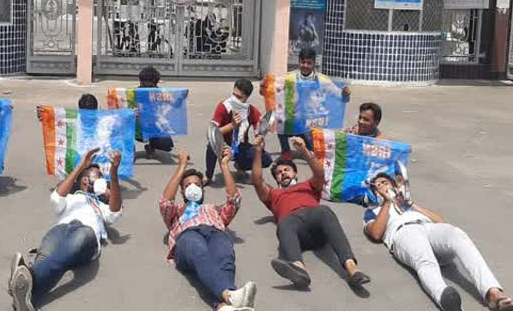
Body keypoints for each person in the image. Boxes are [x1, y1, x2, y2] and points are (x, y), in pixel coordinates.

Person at [364, 173, 513, 311]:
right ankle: (446, 299)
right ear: (375, 193)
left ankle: (493, 293)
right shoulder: (373, 211)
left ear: (393, 185)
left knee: (457, 234)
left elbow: (441, 221)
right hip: (404, 233)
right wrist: (387, 202)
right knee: (424, 260)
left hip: (428, 228)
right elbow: (376, 234)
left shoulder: (408, 205)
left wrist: (411, 204)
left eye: (385, 182)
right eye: (378, 186)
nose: (382, 186)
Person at [8, 147, 124, 311]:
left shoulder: (100, 206)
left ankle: (26, 277)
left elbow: (115, 212)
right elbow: (56, 199)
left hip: (85, 233)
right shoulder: (70, 197)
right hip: (60, 230)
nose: (101, 180)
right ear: (84, 180)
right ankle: (24, 295)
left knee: (67, 251)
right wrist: (81, 166)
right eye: (97, 177)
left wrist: (113, 173)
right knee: (45, 254)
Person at [250, 135, 371, 290]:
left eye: (287, 170)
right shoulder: (273, 194)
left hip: (316, 223)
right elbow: (257, 180)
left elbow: (320, 174)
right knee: (284, 223)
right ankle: (299, 269)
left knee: (324, 211)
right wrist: (258, 151)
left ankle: (352, 269)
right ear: (276, 179)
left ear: (295, 174)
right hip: (294, 228)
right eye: (279, 173)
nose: (283, 173)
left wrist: (304, 151)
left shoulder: (308, 185)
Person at [159, 148, 257, 311]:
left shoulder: (214, 209)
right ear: (182, 191)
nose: (193, 188)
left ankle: (224, 305)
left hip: (216, 232)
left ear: (203, 190)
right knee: (199, 251)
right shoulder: (177, 211)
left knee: (224, 257)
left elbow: (234, 201)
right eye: (188, 185)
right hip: (188, 235)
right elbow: (165, 202)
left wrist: (224, 165)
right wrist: (182, 166)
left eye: (197, 185)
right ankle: (231, 294)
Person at [269, 48, 351, 159]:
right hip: (293, 121)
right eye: (303, 62)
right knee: (279, 121)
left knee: (315, 155)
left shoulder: (323, 81)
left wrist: (346, 94)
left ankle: (311, 147)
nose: (305, 65)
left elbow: (341, 98)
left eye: (309, 63)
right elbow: (272, 90)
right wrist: (265, 87)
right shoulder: (288, 78)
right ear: (298, 62)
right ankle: (285, 150)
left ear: (314, 64)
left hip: (312, 123)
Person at [206, 78, 272, 186]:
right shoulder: (223, 107)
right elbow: (211, 133)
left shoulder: (252, 111)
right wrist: (232, 126)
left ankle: (240, 167)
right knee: (211, 146)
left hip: (241, 146)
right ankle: (208, 176)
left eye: (239, 97)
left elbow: (259, 136)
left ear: (246, 97)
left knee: (266, 159)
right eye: (233, 95)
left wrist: (259, 140)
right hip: (223, 144)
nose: (234, 99)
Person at [137, 66, 175, 159]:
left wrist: (178, 98)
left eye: (150, 86)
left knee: (167, 146)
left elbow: (175, 106)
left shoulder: (161, 93)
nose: (146, 88)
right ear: (140, 82)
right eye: (144, 86)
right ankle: (129, 151)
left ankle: (151, 146)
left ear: (156, 84)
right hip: (136, 127)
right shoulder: (132, 94)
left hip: (154, 125)